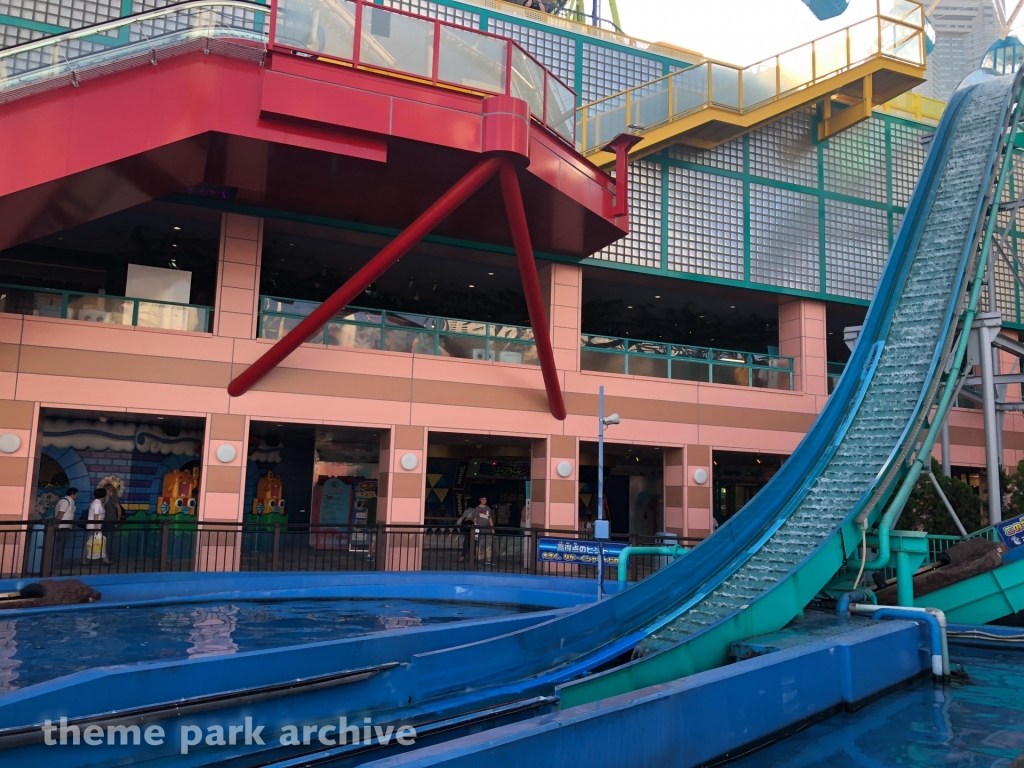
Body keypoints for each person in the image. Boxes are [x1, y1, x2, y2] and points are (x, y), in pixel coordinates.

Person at [82, 488, 110, 566]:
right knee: (96, 543)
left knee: (90, 543)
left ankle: (84, 560)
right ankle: (105, 560)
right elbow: (96, 516)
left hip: (93, 527)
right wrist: (97, 528)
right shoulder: (97, 504)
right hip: (94, 527)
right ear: (103, 495)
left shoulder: (96, 503)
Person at [54, 488, 78, 565]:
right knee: (60, 543)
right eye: (77, 494)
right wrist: (57, 525)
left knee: (62, 543)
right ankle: (58, 558)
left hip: (67, 526)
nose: (77, 496)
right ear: (73, 494)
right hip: (62, 526)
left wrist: (73, 523)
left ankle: (59, 558)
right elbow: (61, 514)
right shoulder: (65, 501)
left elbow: (71, 513)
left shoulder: (71, 502)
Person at [102, 482, 122, 562]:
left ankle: (111, 557)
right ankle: (108, 556)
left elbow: (118, 508)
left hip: (111, 520)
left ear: (109, 490)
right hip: (107, 520)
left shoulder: (113, 497)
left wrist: (118, 520)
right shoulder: (109, 497)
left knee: (110, 540)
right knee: (108, 539)